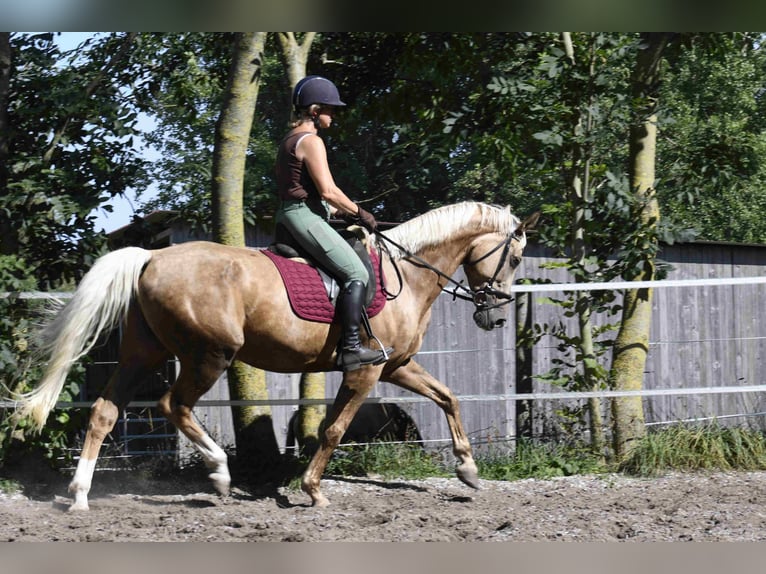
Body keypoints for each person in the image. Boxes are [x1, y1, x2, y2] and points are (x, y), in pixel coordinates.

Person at [275, 75, 391, 372]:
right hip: (303, 216)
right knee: (356, 272)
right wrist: (359, 212)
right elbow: (328, 190)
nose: (334, 115)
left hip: (297, 213)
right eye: (330, 109)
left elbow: (311, 191)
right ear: (314, 110)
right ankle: (351, 348)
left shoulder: (289, 139)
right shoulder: (311, 141)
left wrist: (336, 212)